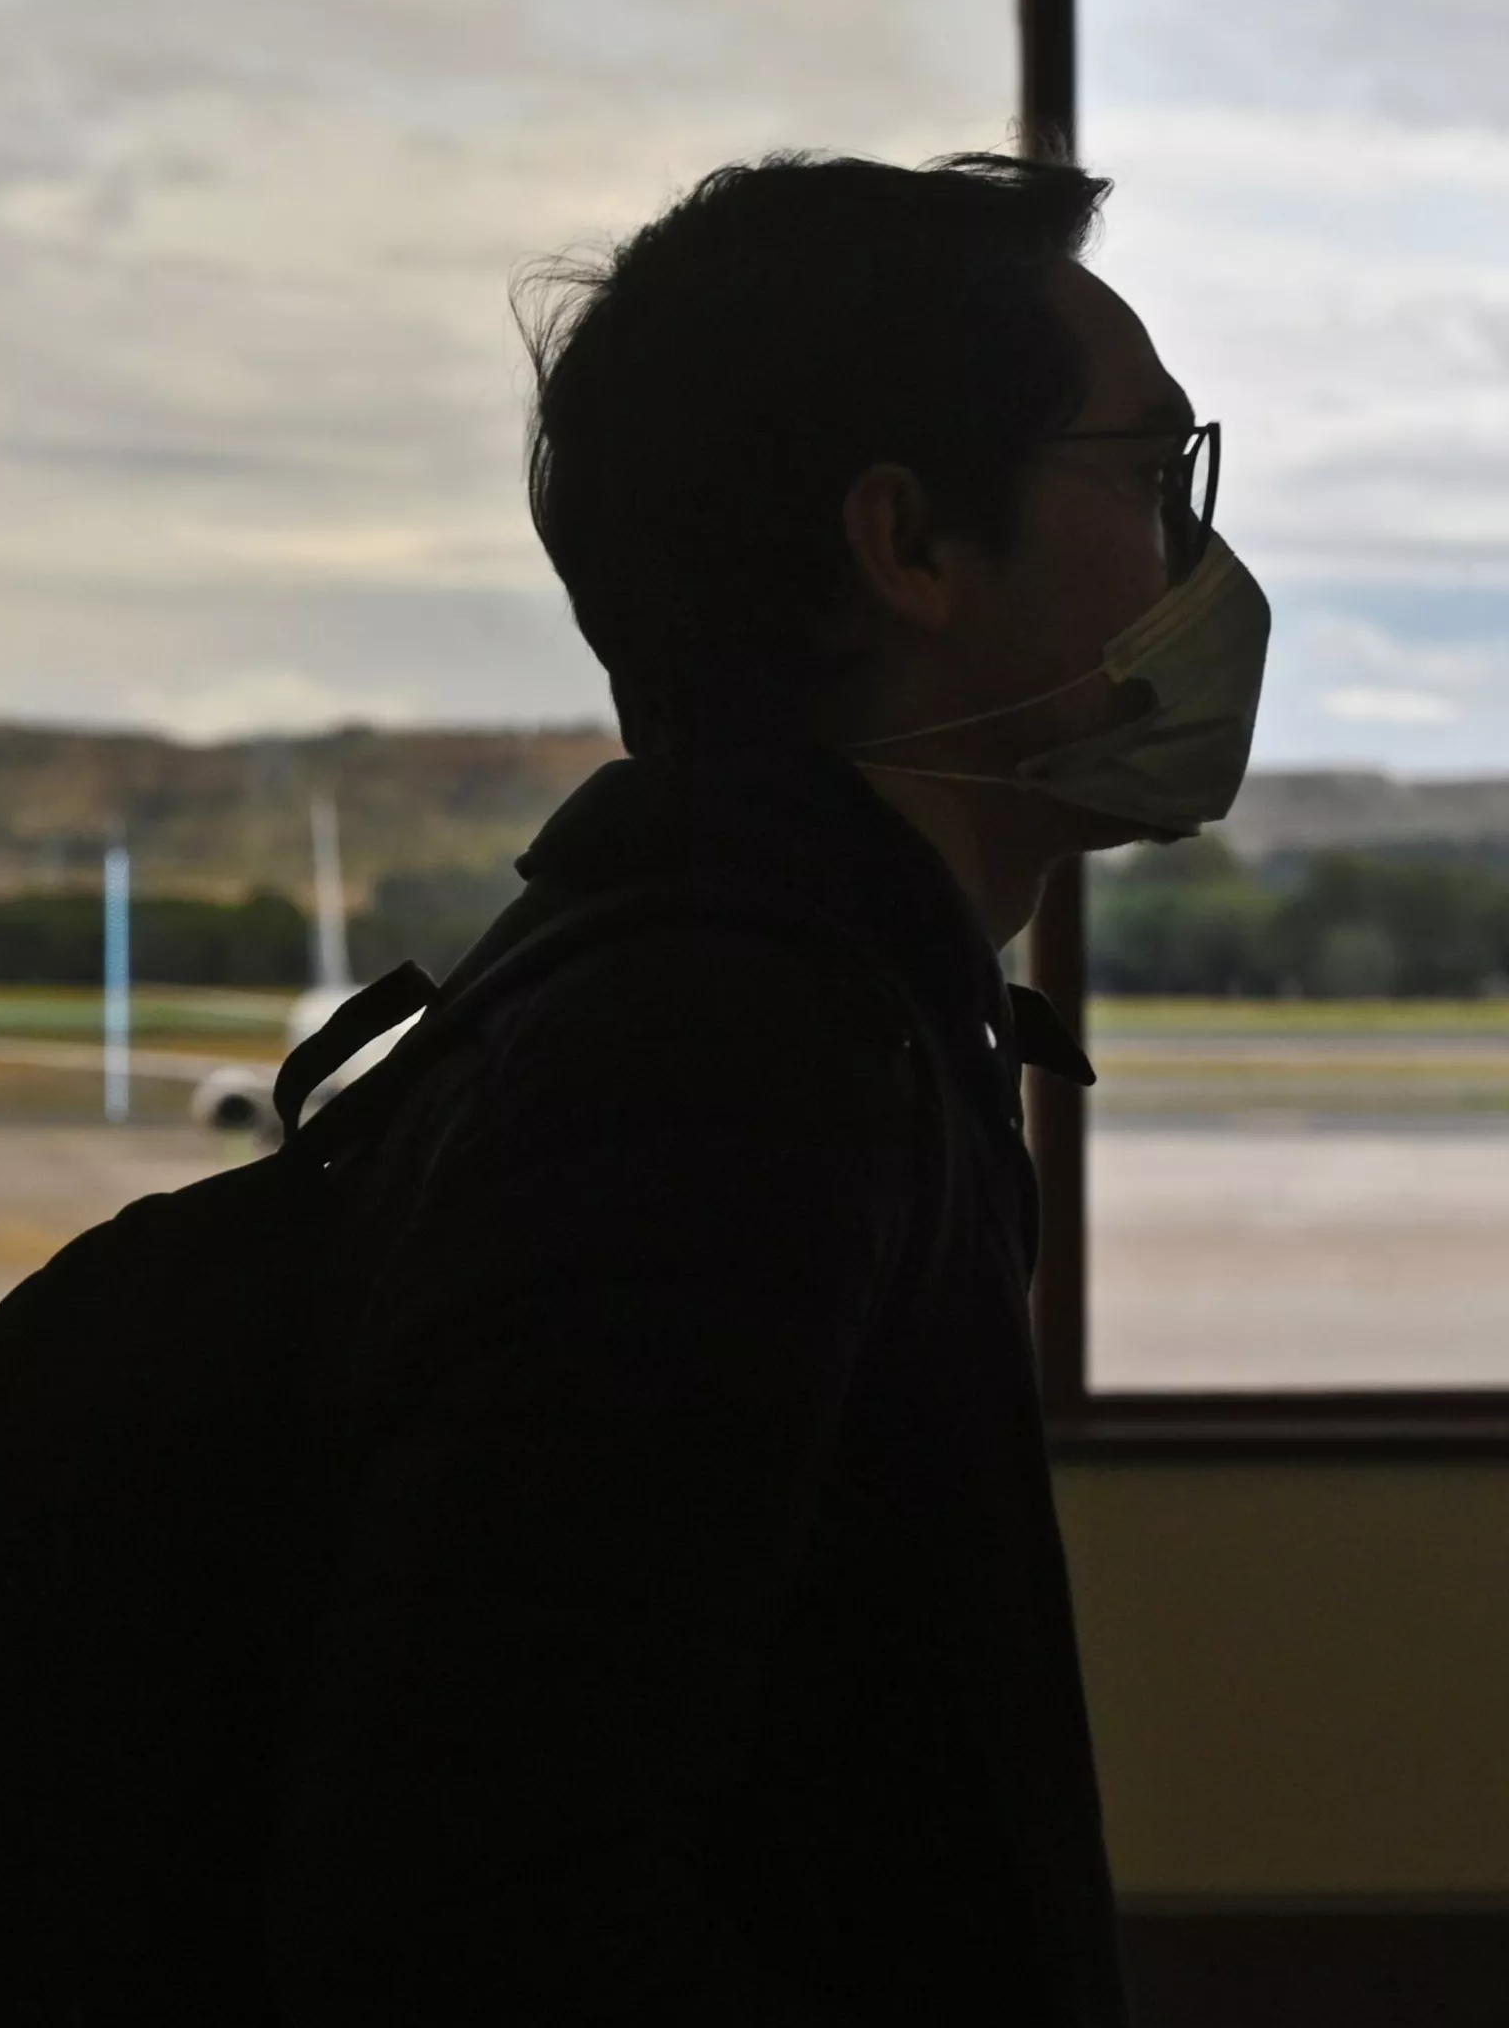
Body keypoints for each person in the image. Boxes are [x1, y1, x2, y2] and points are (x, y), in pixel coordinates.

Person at [264, 153, 1269, 2025]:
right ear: (909, 546)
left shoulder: (788, 1003)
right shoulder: (715, 1081)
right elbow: (478, 1905)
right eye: (1151, 480)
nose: (1196, 564)